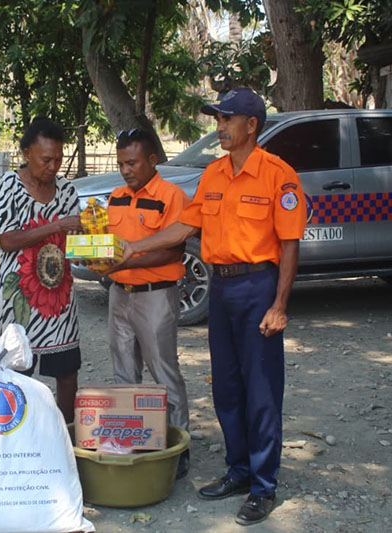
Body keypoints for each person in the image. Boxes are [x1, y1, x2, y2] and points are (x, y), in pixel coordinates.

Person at [120, 88, 306, 526]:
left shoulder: (278, 175)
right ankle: (238, 470)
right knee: (226, 386)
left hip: (258, 287)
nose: (219, 127)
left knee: (261, 390)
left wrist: (280, 304)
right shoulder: (214, 174)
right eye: (217, 118)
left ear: (251, 125)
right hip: (221, 291)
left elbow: (290, 244)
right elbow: (184, 226)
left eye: (226, 119)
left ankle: (263, 486)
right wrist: (132, 248)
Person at [95, 128, 191, 479]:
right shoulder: (116, 196)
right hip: (119, 295)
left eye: (132, 163)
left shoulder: (172, 196)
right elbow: (107, 243)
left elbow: (174, 249)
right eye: (121, 163)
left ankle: (180, 446)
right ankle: (131, 439)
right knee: (123, 371)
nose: (125, 170)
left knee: (163, 371)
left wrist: (127, 262)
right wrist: (96, 257)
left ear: (153, 160)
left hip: (155, 296)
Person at [0, 117, 82, 423]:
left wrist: (89, 252)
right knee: (15, 373)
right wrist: (55, 225)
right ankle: (16, 438)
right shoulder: (9, 185)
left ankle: (65, 436)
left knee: (67, 372)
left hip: (59, 299)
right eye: (46, 159)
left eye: (58, 159)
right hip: (19, 295)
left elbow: (74, 245)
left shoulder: (68, 191)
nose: (53, 166)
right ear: (27, 153)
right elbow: (7, 240)